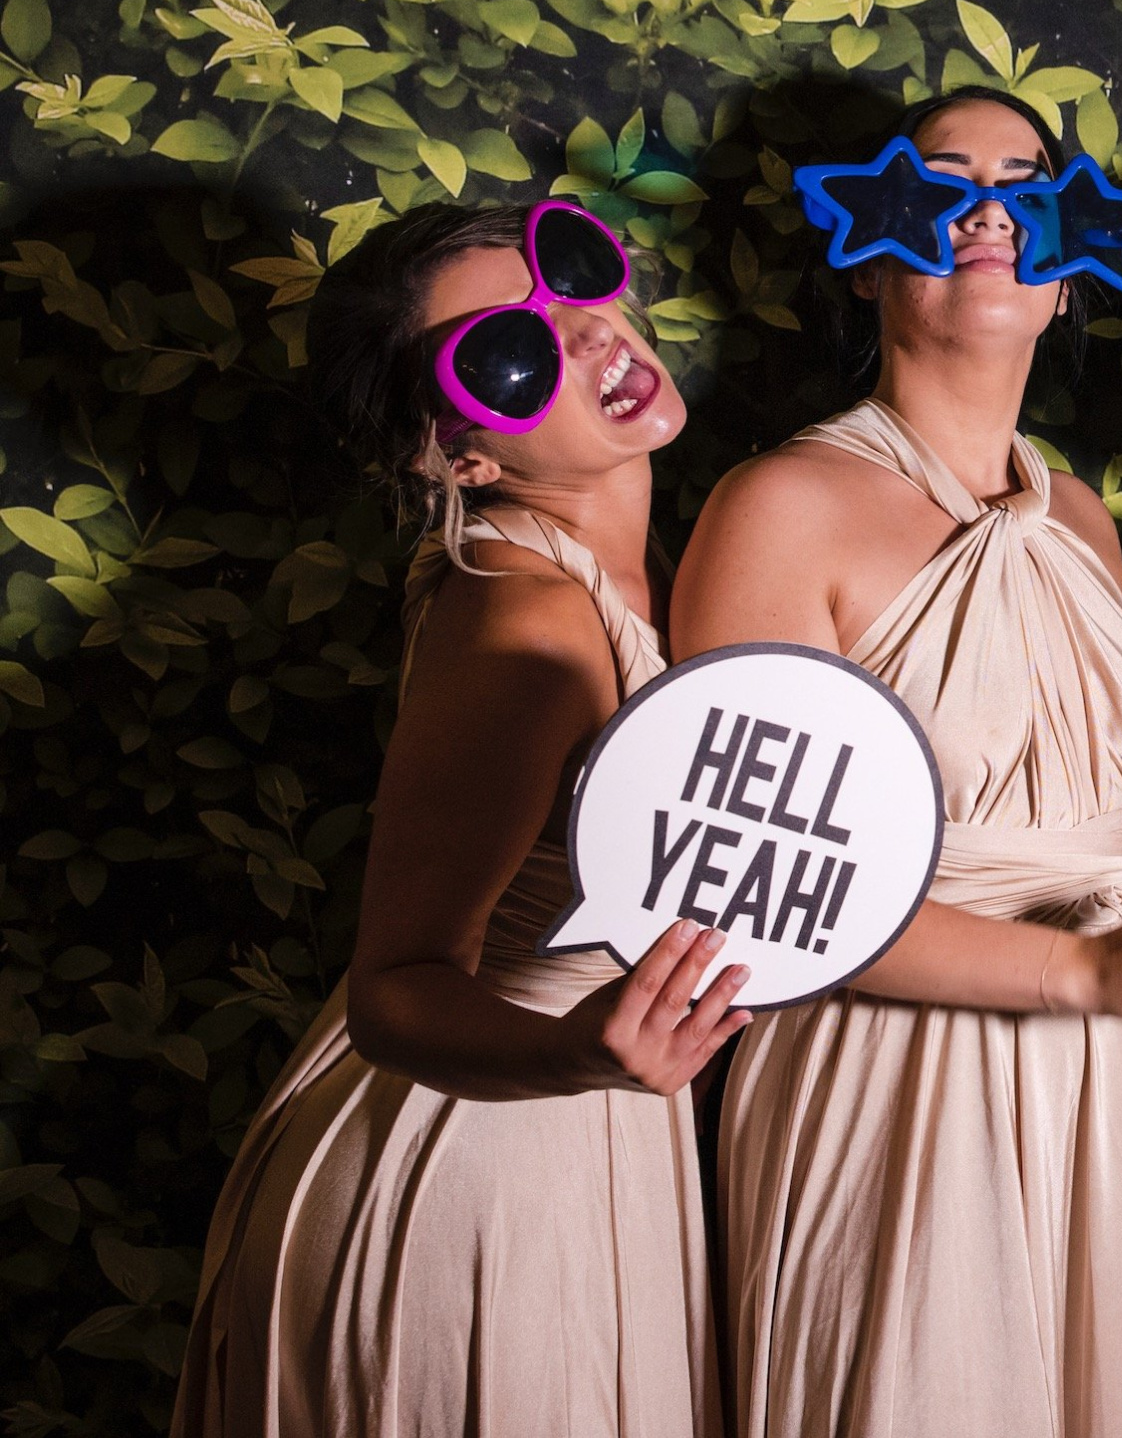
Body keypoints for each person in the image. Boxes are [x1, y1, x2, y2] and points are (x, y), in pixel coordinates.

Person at [673, 88, 1122, 1438]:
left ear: (1073, 267)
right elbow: (749, 891)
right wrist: (1080, 968)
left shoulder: (1077, 514)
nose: (985, 210)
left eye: (1025, 181)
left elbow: (1107, 832)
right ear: (865, 242)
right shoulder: (781, 504)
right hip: (904, 1072)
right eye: (941, 180)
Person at [174, 202, 747, 1438]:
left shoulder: (640, 569)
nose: (587, 335)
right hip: (479, 1159)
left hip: (583, 1124)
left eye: (571, 277)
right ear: (462, 455)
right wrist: (580, 1054)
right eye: (510, 353)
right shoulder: (524, 623)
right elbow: (397, 985)